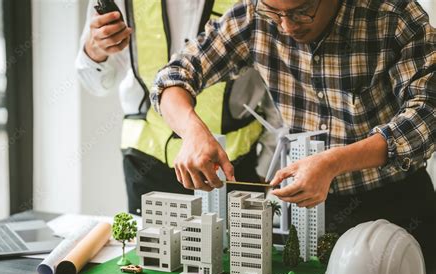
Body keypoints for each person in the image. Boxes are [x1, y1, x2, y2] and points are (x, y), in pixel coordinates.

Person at [150, 0, 436, 260]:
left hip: (395, 204)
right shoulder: (253, 15)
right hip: (311, 211)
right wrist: (192, 131)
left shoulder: (393, 16)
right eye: (275, 13)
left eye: (301, 12)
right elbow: (173, 76)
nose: (286, 26)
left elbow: (427, 114)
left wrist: (334, 162)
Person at [76, 0, 280, 214]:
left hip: (232, 168)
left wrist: (268, 167)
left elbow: (279, 83)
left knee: (237, 245)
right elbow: (97, 83)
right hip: (148, 166)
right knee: (152, 245)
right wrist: (96, 50)